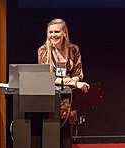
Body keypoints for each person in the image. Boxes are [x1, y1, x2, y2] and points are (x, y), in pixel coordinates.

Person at [38, 18, 90, 148]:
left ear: (64, 33)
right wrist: (70, 82)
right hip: (51, 97)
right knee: (51, 135)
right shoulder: (43, 51)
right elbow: (46, 77)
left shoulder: (74, 49)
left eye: (56, 32)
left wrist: (73, 81)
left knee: (66, 136)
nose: (53, 35)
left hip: (69, 98)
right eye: (50, 32)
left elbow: (79, 73)